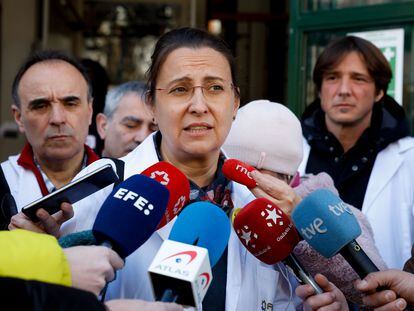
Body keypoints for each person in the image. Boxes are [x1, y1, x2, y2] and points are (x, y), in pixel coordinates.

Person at [48, 27, 303, 310]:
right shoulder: (103, 186)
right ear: (152, 106)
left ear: (235, 103)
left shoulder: (258, 201)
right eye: (180, 89)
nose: (199, 105)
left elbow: (285, 299)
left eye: (215, 88)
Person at [223, 99, 386, 306]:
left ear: (286, 177)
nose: (243, 189)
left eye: (249, 175)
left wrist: (305, 221)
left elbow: (371, 283)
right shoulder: (221, 203)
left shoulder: (328, 208)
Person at [298, 36, 414, 269]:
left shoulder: (409, 157)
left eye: (358, 79)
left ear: (380, 91)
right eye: (332, 78)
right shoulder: (292, 151)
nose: (343, 90)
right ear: (319, 90)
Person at [3, 50, 100, 232]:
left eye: (70, 103)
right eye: (40, 106)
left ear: (90, 110)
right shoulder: (3, 181)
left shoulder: (122, 182)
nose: (57, 118)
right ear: (18, 117)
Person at [96, 81, 157, 158]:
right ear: (103, 126)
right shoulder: (83, 168)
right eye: (131, 125)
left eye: (154, 129)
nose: (143, 138)